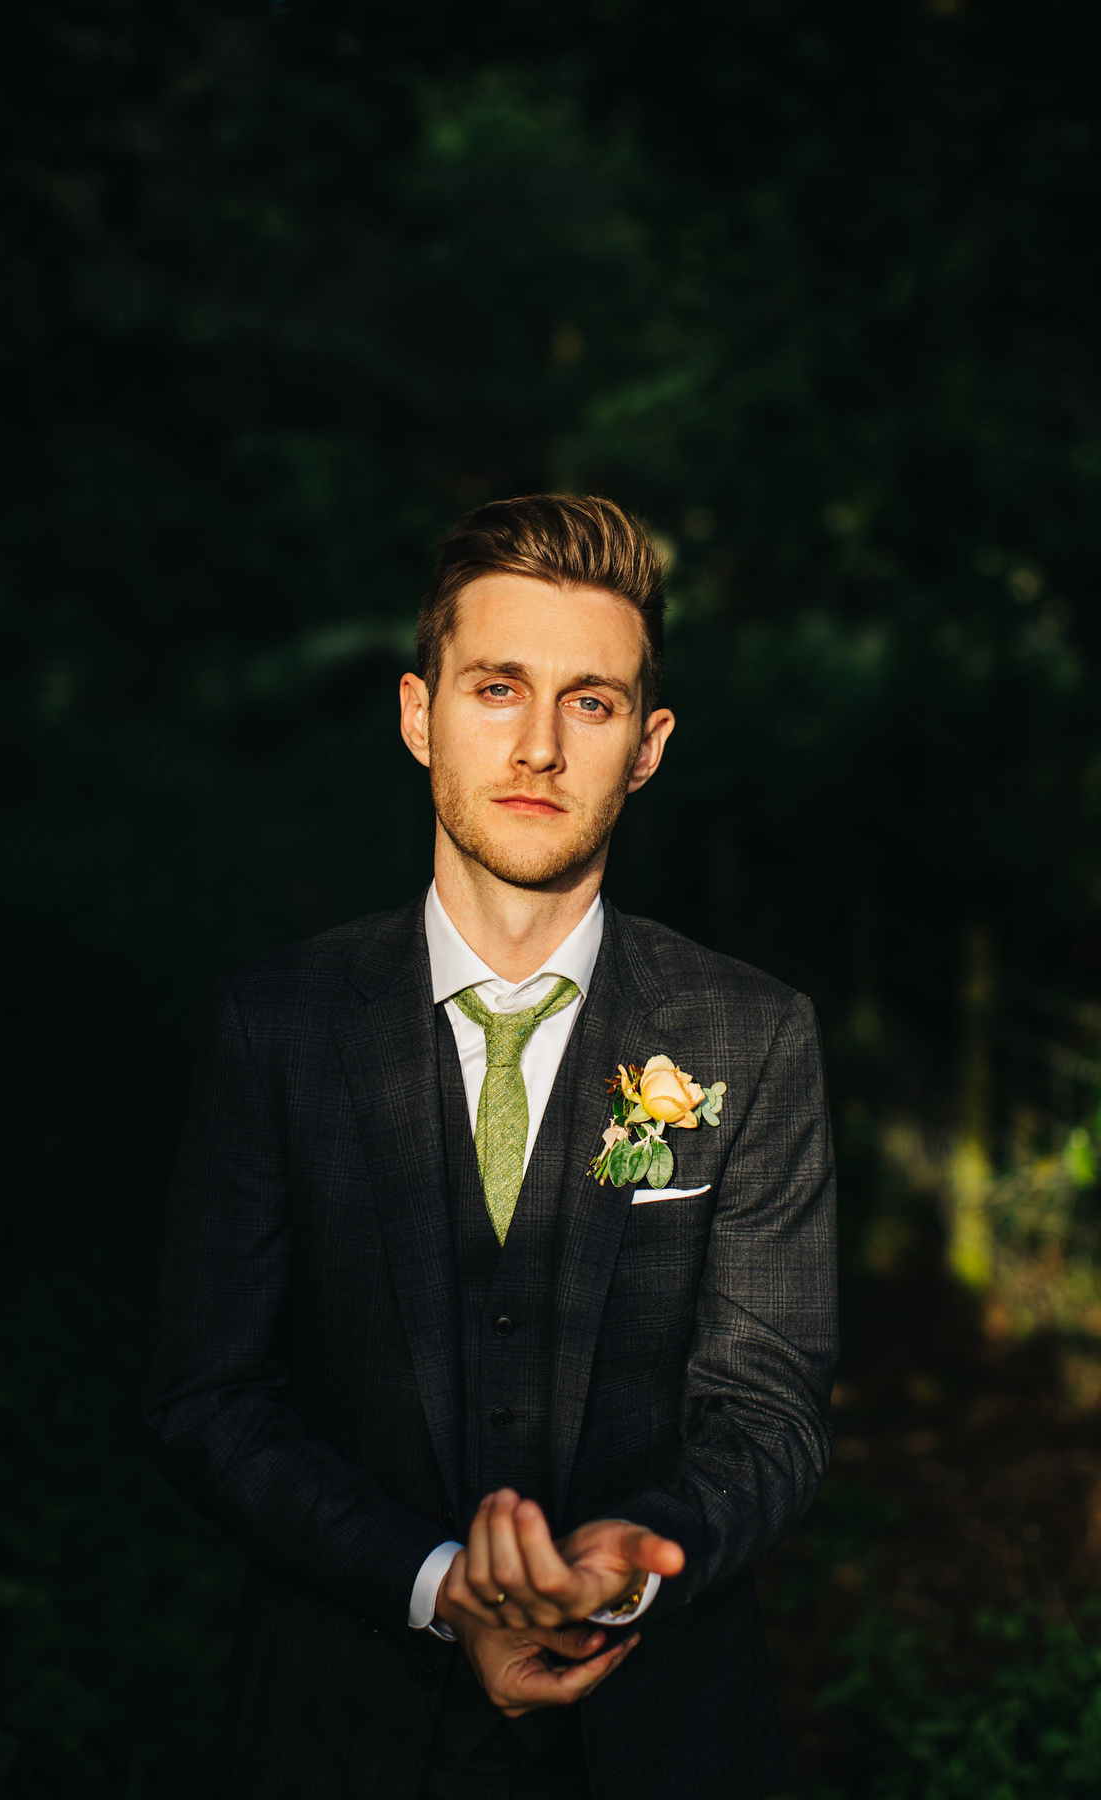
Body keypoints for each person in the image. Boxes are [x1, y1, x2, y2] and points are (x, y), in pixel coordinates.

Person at [144, 493, 838, 1800]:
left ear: (647, 747)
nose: (538, 746)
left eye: (590, 702)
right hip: (333, 1735)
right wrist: (430, 1585)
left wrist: (638, 1561)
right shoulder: (274, 1026)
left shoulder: (756, 1034)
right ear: (420, 714)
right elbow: (208, 1398)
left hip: (664, 1743)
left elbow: (773, 1403)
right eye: (496, 687)